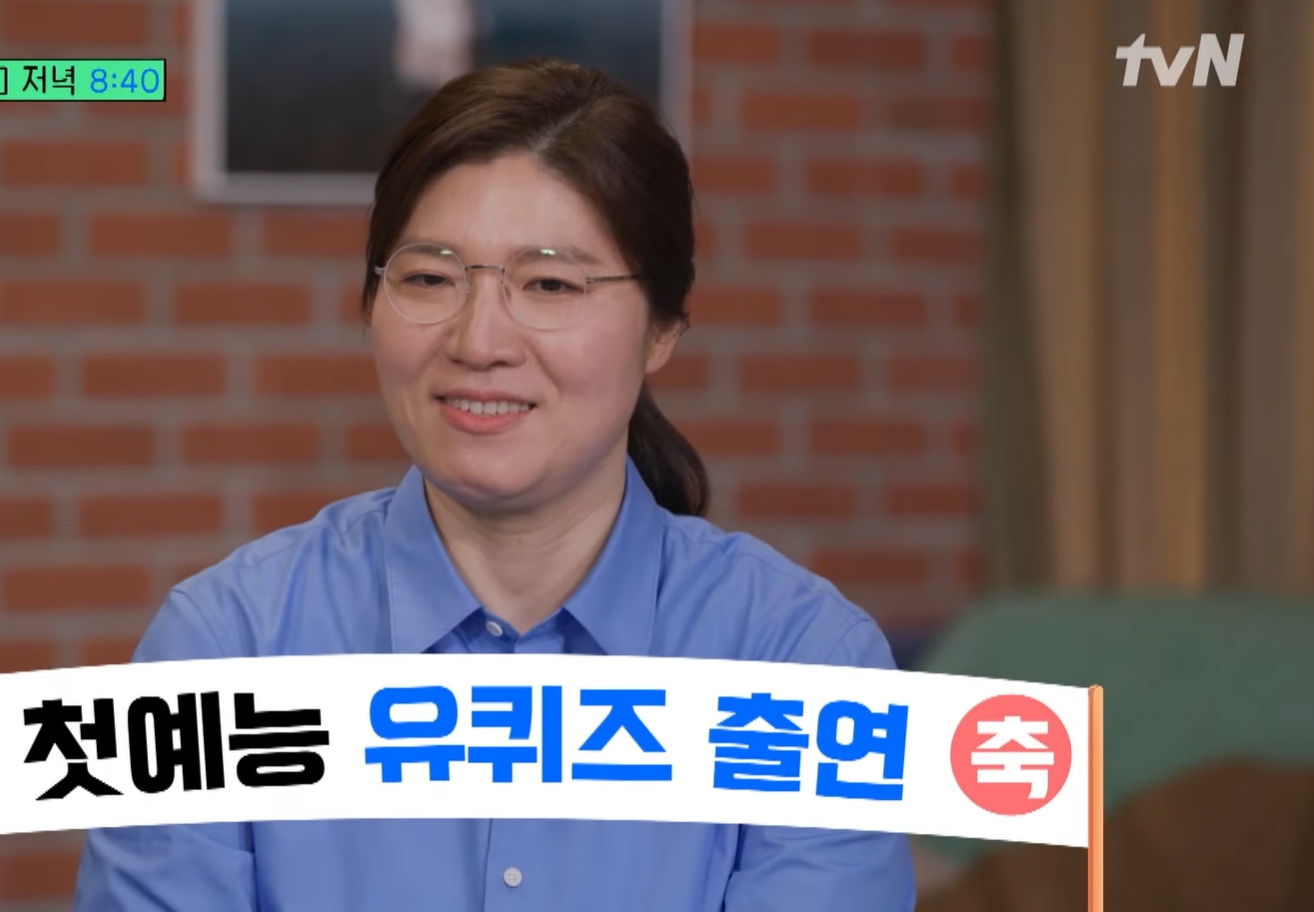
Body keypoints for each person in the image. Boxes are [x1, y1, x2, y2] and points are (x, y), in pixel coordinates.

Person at [72, 58, 916, 912]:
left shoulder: (802, 665)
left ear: (662, 326)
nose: (478, 342)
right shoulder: (222, 649)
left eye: (549, 284)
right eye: (429, 278)